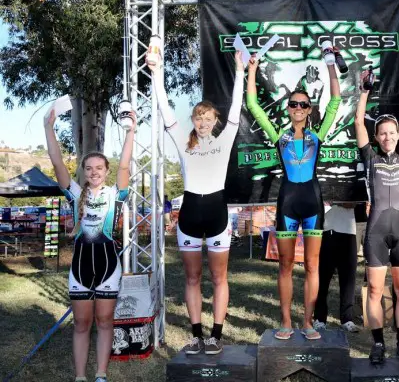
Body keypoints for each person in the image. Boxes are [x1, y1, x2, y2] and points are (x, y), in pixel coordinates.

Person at [148, 50, 245, 355]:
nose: (203, 123)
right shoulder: (181, 140)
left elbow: (237, 106)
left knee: (219, 277)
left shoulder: (224, 139)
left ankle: (216, 335)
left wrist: (240, 71)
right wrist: (156, 72)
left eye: (208, 118)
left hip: (217, 212)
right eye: (198, 118)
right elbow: (164, 110)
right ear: (193, 120)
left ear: (216, 121)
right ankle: (195, 335)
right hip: (190, 212)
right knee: (192, 277)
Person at [247, 54, 341, 340]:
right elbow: (253, 105)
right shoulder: (279, 135)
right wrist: (252, 70)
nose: (298, 108)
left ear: (309, 109)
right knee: (286, 265)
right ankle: (286, 321)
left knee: (313, 265)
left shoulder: (318, 135)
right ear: (288, 109)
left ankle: (308, 322)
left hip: (313, 203)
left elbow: (336, 100)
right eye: (293, 104)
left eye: (303, 104)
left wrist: (329, 64)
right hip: (287, 202)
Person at [44, 108, 135, 382]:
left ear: (106, 171)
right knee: (82, 323)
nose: (94, 172)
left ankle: (101, 374)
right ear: (83, 172)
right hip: (80, 269)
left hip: (109, 268)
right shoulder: (74, 193)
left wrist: (131, 132)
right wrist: (49, 127)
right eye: (88, 168)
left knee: (105, 322)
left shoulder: (115, 194)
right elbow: (57, 162)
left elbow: (125, 166)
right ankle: (81, 376)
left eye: (99, 168)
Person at [354, 69, 399, 364]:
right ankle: (378, 343)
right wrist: (364, 91)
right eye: (382, 133)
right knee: (373, 290)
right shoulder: (370, 157)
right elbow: (358, 121)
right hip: (376, 233)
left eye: (392, 133)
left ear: (398, 135)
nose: (387, 137)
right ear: (377, 136)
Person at [313, 202, 361, 333]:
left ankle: (347, 319)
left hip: (348, 230)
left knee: (348, 278)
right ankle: (319, 318)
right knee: (322, 278)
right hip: (325, 230)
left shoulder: (352, 181)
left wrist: (335, 201)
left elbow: (353, 203)